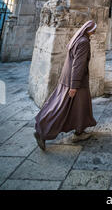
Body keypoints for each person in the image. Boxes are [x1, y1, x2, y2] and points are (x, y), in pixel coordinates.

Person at [34, 20, 97, 151]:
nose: (95, 31)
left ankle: (79, 132)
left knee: (77, 107)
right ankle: (43, 131)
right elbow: (78, 65)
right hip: (75, 83)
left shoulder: (78, 39)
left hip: (68, 79)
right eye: (94, 29)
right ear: (88, 30)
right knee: (63, 108)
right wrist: (74, 86)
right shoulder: (84, 42)